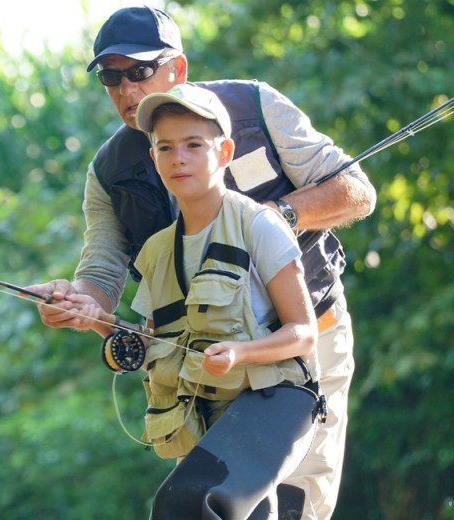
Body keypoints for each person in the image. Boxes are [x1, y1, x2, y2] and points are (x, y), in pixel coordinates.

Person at [24, 6, 376, 520]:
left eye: (140, 71)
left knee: (295, 507)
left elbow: (355, 192)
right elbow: (100, 273)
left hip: (307, 341)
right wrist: (80, 304)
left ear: (178, 69)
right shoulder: (109, 172)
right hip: (204, 367)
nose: (126, 89)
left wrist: (273, 219)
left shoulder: (254, 106)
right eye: (110, 76)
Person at [81, 82, 324, 519]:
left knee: (189, 503)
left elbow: (304, 334)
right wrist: (94, 318)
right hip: (205, 420)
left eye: (194, 145)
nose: (179, 159)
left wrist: (240, 353)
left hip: (275, 401)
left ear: (225, 152)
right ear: (153, 158)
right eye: (166, 148)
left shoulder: (260, 227)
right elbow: (150, 343)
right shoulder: (155, 251)